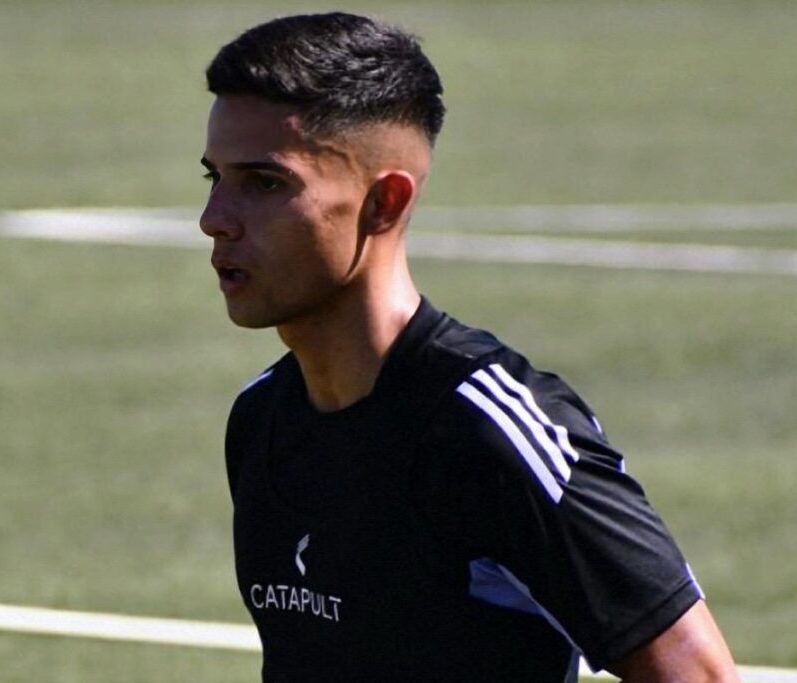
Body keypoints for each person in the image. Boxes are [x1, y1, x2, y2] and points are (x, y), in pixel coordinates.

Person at [198, 12, 739, 682]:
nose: (214, 219)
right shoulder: (262, 419)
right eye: (212, 178)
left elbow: (697, 674)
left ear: (384, 202)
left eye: (265, 183)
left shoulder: (488, 428)